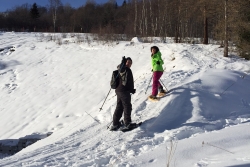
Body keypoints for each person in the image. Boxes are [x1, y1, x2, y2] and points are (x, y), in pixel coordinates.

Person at [110, 57, 136, 131]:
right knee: (127, 106)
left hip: (119, 90)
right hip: (123, 91)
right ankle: (127, 123)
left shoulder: (121, 69)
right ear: (125, 62)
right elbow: (123, 70)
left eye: (130, 63)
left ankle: (115, 124)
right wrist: (122, 63)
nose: (129, 64)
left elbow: (127, 82)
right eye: (128, 62)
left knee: (119, 107)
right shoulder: (124, 68)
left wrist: (131, 90)